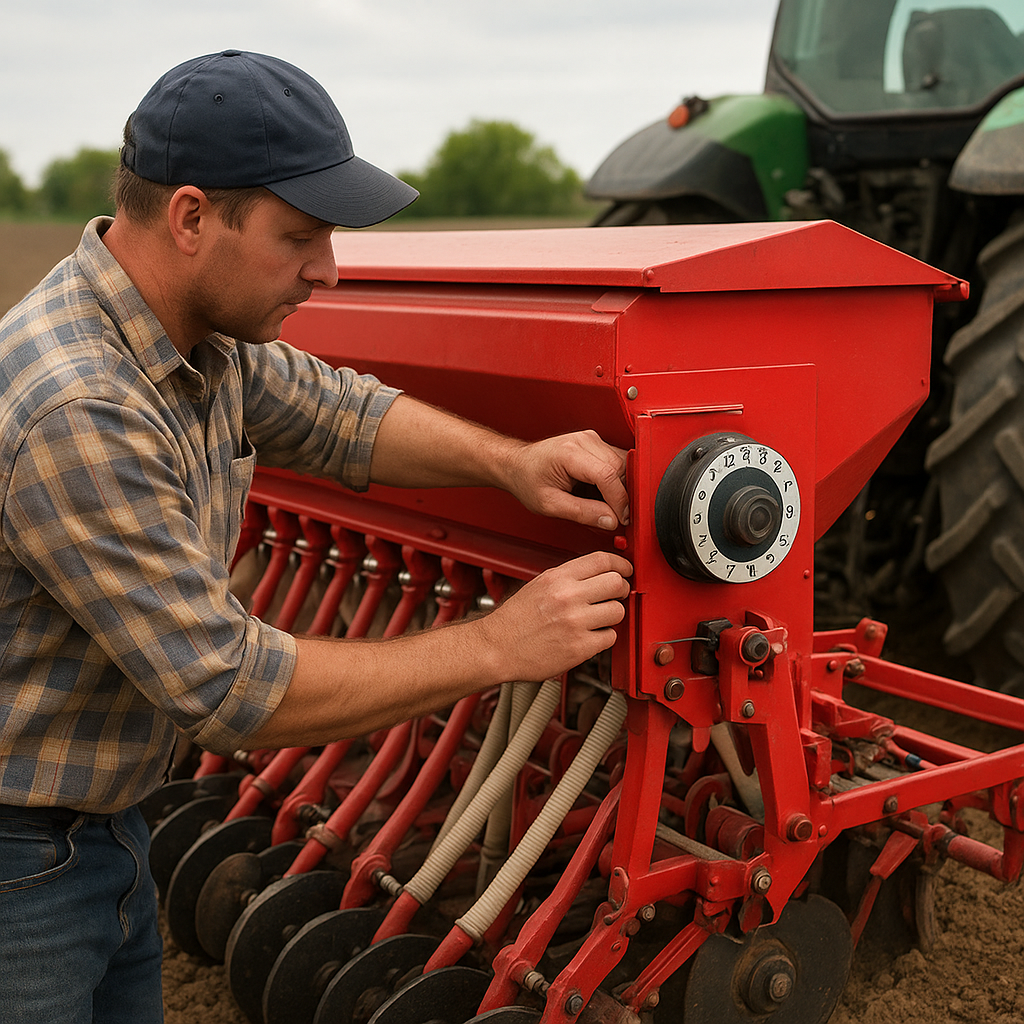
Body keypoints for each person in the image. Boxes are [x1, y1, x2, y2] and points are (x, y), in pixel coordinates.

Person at [0, 50, 632, 1023]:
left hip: (104, 830)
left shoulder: (190, 337)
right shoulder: (81, 405)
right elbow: (227, 687)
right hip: (23, 871)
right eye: (299, 236)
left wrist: (512, 462)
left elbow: (338, 415)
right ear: (192, 218)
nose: (328, 269)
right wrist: (501, 645)